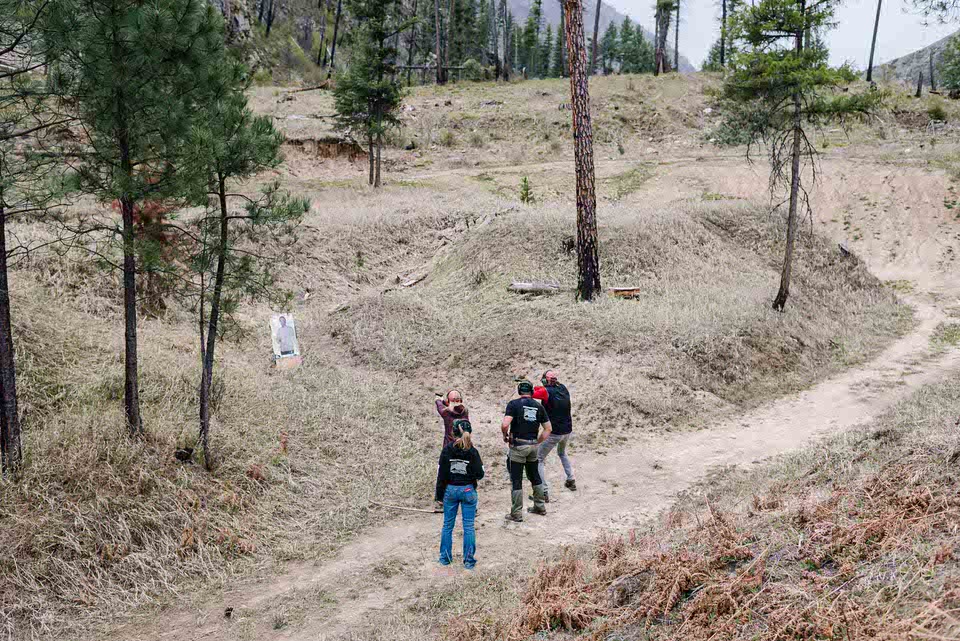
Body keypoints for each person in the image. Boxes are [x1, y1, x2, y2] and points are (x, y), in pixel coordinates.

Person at [501, 380, 552, 522]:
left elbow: (505, 424)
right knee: (535, 476)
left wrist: (504, 435)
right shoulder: (538, 406)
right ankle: (539, 506)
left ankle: (516, 513)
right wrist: (538, 441)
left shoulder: (513, 404)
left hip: (518, 446)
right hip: (533, 446)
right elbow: (548, 429)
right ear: (531, 392)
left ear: (519, 391)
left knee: (517, 480)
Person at [437, 419, 484, 569]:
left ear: (453, 432)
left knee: (447, 526)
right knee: (469, 526)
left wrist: (439, 496)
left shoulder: (447, 449)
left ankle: (445, 558)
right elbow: (480, 474)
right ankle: (469, 561)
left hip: (450, 490)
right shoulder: (473, 451)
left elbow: (441, 475)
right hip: (468, 490)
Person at [536, 370, 576, 502]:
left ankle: (543, 492)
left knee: (538, 459)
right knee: (562, 453)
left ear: (545, 380)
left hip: (555, 432)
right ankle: (571, 479)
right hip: (567, 430)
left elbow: (530, 393)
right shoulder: (563, 387)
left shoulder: (545, 391)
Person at [434, 390, 469, 512]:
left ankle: (440, 501)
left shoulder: (446, 413)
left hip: (448, 449)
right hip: (464, 447)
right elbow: (454, 404)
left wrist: (439, 399)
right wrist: (449, 400)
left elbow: (440, 405)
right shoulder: (465, 411)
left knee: (442, 474)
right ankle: (469, 503)